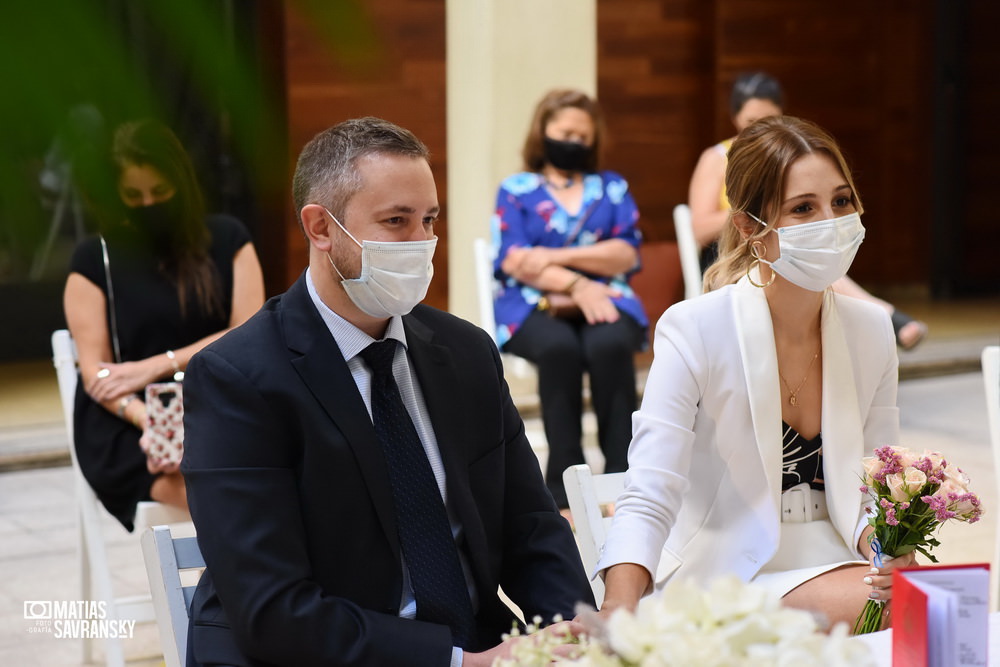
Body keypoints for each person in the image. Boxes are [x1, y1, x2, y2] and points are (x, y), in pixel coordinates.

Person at [180, 117, 594, 666]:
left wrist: (574, 632)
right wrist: (463, 665)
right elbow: (273, 609)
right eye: (396, 221)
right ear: (320, 228)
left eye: (429, 220)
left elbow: (531, 527)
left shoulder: (465, 352)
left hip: (479, 645)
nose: (422, 243)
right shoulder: (239, 378)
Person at [596, 115, 916, 631]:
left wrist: (888, 553)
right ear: (750, 227)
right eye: (803, 208)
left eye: (841, 201)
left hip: (836, 559)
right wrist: (618, 613)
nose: (831, 222)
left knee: (926, 599)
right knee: (892, 610)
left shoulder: (871, 328)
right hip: (721, 570)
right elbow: (652, 488)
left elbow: (874, 489)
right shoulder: (694, 327)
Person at [63, 119, 264, 531]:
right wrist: (153, 421)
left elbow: (249, 333)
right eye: (133, 195)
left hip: (217, 401)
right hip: (127, 420)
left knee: (276, 475)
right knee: (223, 495)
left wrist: (158, 364)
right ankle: (238, 589)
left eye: (160, 192)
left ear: (182, 185)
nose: (148, 204)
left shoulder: (228, 239)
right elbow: (95, 371)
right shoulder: (93, 259)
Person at [687, 71, 927, 350]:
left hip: (790, 241)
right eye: (752, 122)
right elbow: (700, 227)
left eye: (770, 120)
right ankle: (884, 315)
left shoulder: (791, 158)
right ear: (735, 118)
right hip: (734, 252)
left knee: (812, 247)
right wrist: (757, 209)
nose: (761, 128)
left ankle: (879, 316)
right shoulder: (716, 158)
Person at [491, 89, 647, 509]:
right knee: (558, 349)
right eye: (565, 133)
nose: (574, 142)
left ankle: (623, 479)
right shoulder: (516, 189)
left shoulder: (611, 187)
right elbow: (517, 261)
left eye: (583, 135)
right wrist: (580, 284)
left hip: (608, 298)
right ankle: (562, 490)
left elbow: (626, 252)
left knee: (611, 345)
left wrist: (557, 257)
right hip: (532, 303)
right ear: (543, 132)